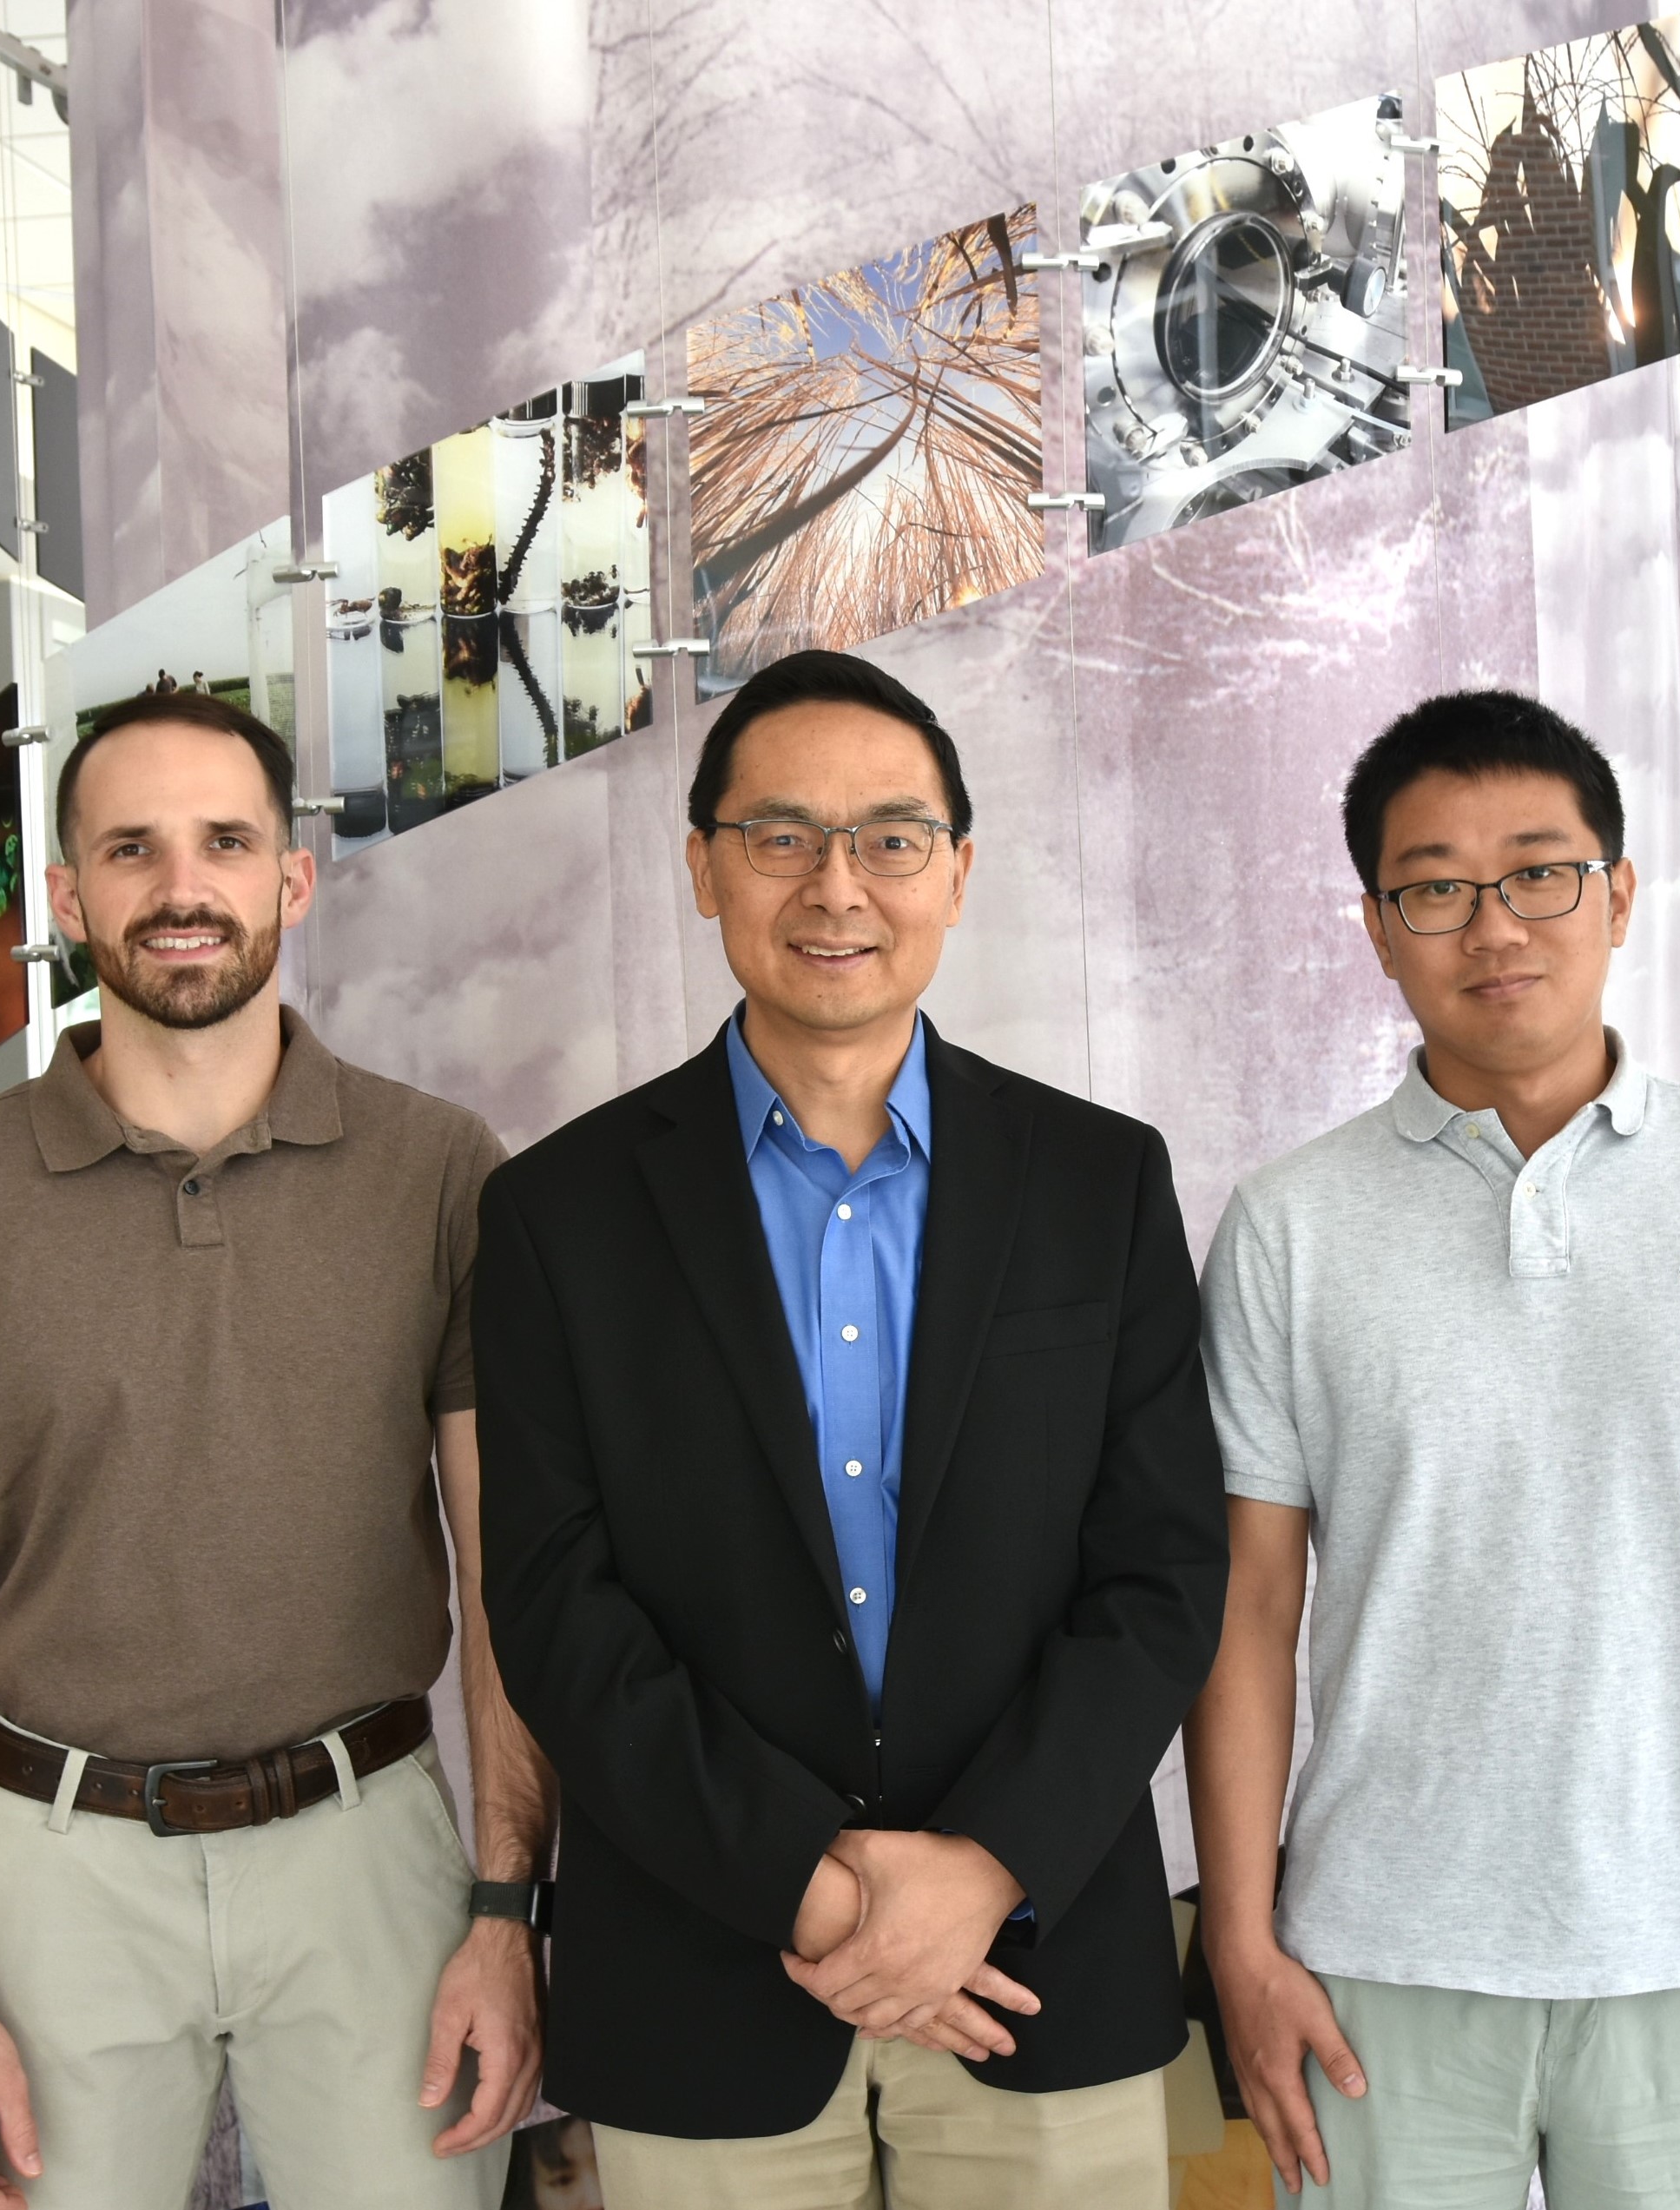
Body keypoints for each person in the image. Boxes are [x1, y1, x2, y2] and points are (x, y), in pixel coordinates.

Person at [476, 649, 1229, 2208]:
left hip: (1030, 1963)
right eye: (781, 836)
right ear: (702, 867)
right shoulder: (559, 1212)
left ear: (957, 870)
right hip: (706, 1967)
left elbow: (1160, 1569)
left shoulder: (1101, 1184)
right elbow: (555, 1606)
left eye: (891, 837)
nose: (839, 885)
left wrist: (983, 1870)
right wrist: (815, 1892)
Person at [1186, 691, 1680, 2208]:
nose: (1495, 924)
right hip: (1376, 1956)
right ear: (1378, 929)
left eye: (1539, 871)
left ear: (1620, 894)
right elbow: (1248, 1607)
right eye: (1436, 887)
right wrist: (1243, 1936)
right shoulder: (1288, 1223)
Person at [0, 686, 548, 2210]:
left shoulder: (441, 1173)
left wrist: (504, 1905)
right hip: (47, 1859)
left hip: (369, 1854)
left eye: (224, 841)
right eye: (132, 849)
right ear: (71, 892)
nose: (181, 888)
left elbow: (507, 1569)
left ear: (291, 878)